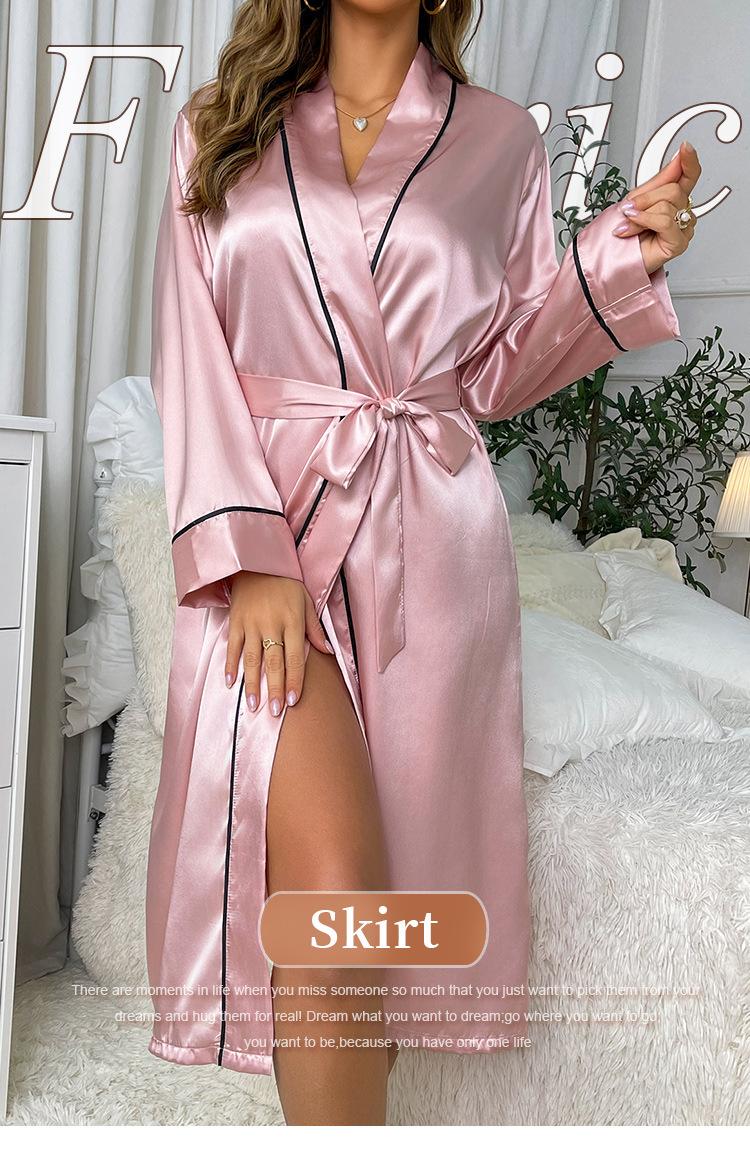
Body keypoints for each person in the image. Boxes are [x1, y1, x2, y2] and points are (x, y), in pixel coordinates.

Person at [144, 0, 699, 1126]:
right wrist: (251, 555)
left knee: (371, 938)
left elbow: (497, 370)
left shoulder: (497, 139)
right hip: (273, 535)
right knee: (334, 893)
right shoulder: (219, 124)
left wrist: (621, 257)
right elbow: (191, 348)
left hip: (433, 551)